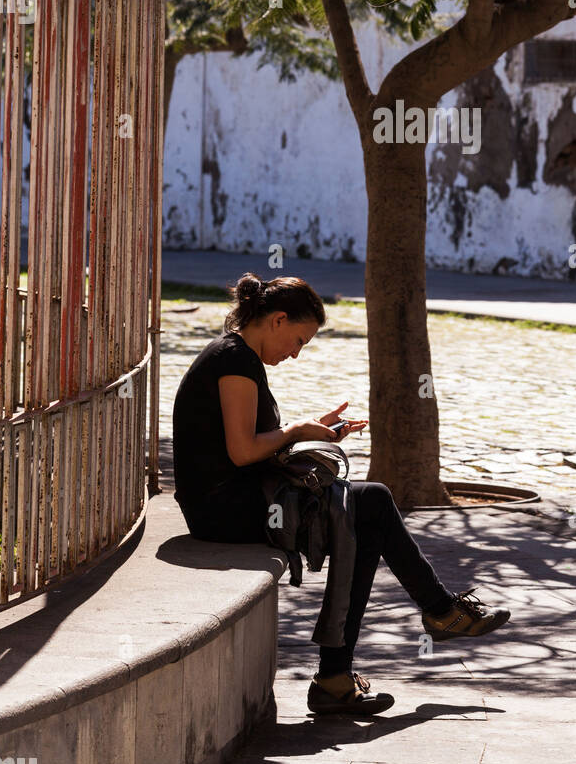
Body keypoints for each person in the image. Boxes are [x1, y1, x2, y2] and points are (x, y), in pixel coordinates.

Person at [172, 272, 510, 716]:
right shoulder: (234, 360)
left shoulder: (239, 356)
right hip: (221, 509)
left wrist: (314, 431)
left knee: (364, 518)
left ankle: (340, 675)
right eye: (298, 340)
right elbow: (241, 452)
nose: (295, 353)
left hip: (238, 498)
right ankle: (434, 614)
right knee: (370, 503)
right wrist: (296, 430)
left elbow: (249, 443)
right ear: (276, 320)